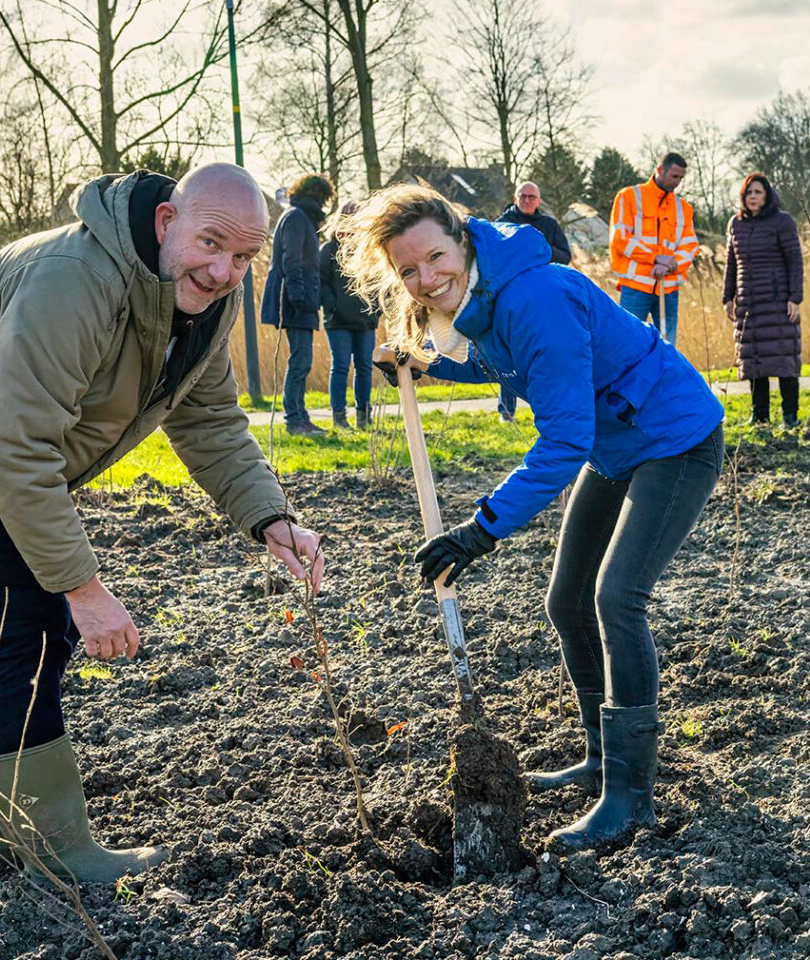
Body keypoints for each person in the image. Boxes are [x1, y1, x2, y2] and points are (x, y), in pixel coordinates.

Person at [0, 164, 326, 884]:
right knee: (31, 621)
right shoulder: (73, 279)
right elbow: (15, 446)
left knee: (29, 628)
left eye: (244, 256)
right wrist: (84, 588)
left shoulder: (203, 301)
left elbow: (210, 417)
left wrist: (268, 517)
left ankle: (1, 836)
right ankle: (53, 851)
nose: (225, 270)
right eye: (211, 242)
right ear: (166, 222)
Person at [342, 185, 724, 850]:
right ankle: (602, 760)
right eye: (409, 271)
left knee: (616, 598)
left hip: (674, 439)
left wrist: (479, 529)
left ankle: (630, 800)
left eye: (435, 258)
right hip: (618, 443)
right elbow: (505, 364)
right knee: (567, 601)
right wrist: (426, 365)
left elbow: (563, 442)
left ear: (462, 239)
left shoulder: (534, 296)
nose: (426, 280)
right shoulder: (489, 294)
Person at [723, 174, 804, 428]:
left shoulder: (782, 222)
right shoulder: (736, 224)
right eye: (749, 193)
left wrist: (795, 298)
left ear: (767, 195)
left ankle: (790, 417)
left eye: (758, 192)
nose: (753, 197)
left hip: (778, 301)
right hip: (749, 305)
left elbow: (794, 260)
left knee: (784, 360)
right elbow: (731, 264)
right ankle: (760, 417)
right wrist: (728, 297)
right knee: (753, 361)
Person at [261, 174, 334, 436]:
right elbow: (291, 260)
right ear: (317, 195)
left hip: (299, 299)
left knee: (301, 361)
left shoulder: (301, 218)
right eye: (324, 198)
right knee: (300, 362)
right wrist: (299, 298)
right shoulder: (296, 218)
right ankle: (295, 420)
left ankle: (300, 417)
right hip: (294, 301)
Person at [495, 181, 573, 422]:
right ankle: (506, 412)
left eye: (532, 197)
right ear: (515, 198)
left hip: (543, 296)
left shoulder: (548, 225)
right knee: (508, 353)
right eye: (523, 196)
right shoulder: (502, 224)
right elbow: (492, 257)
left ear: (539, 200)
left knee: (544, 351)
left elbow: (565, 256)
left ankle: (547, 409)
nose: (528, 200)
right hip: (509, 296)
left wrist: (539, 248)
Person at [609, 151, 698, 346]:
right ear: (659, 170)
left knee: (667, 346)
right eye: (674, 176)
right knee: (629, 343)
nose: (677, 182)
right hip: (635, 286)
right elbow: (620, 238)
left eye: (681, 178)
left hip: (669, 288)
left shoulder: (684, 208)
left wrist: (669, 266)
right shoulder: (628, 197)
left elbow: (690, 246)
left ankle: (663, 378)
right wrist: (656, 258)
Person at [319, 201, 379, 429]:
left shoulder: (369, 250)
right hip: (337, 321)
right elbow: (321, 282)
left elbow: (377, 281)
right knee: (341, 366)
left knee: (365, 366)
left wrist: (375, 309)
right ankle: (339, 417)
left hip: (365, 319)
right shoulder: (329, 250)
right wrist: (331, 305)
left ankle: (364, 416)